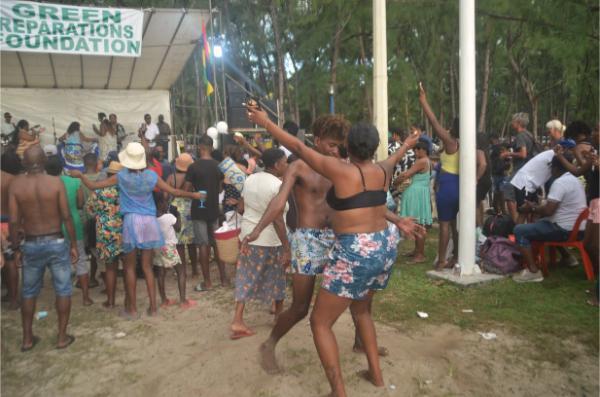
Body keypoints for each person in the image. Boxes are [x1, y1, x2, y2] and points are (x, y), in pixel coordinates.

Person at [248, 105, 422, 397]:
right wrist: (256, 230)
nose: (335, 150)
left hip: (338, 239)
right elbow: (279, 201)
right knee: (301, 308)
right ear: (316, 140)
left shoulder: (343, 166)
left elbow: (368, 202)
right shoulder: (301, 166)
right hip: (307, 241)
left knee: (361, 303)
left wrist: (395, 219)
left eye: (340, 145)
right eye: (330, 144)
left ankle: (359, 344)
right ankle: (270, 343)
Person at [71, 142, 201, 318]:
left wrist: (80, 176)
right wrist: (193, 195)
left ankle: (132, 309)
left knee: (129, 268)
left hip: (131, 222)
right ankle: (153, 307)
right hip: (149, 222)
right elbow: (173, 191)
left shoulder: (122, 176)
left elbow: (94, 186)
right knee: (147, 267)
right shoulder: (151, 176)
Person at [8, 146, 79, 351]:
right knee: (63, 289)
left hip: (30, 243)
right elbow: (66, 216)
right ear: (45, 162)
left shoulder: (16, 185)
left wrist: (16, 248)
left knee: (29, 291)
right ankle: (62, 337)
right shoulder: (55, 183)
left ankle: (27, 339)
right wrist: (73, 245)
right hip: (56, 241)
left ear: (24, 163)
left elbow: (13, 221)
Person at [230, 148, 290, 339]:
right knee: (278, 276)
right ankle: (278, 315)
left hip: (248, 235)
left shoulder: (250, 179)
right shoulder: (277, 185)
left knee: (247, 276)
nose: (287, 165)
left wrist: (252, 219)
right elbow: (278, 219)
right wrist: (287, 247)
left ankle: (238, 319)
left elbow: (240, 207)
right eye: (284, 162)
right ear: (276, 165)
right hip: (270, 239)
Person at [513, 155, 588, 282]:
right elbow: (555, 206)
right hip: (579, 229)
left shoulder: (560, 183)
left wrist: (531, 208)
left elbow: (548, 211)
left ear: (556, 168)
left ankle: (533, 271)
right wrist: (537, 206)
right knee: (543, 223)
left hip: (564, 230)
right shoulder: (575, 180)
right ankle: (568, 257)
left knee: (520, 230)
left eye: (551, 168)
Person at [418, 83, 460, 270]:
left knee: (444, 224)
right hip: (459, 185)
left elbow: (434, 122)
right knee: (454, 225)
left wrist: (423, 101)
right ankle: (457, 256)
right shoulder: (462, 144)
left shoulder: (450, 142)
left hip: (448, 185)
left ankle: (442, 260)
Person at [45, 155, 93, 306]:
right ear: (62, 167)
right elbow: (80, 203)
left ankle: (62, 298)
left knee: (60, 263)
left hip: (53, 227)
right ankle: (85, 297)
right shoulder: (74, 182)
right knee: (80, 261)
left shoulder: (44, 185)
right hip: (74, 224)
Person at [184, 135, 229, 290]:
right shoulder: (219, 166)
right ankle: (224, 279)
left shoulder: (193, 167)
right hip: (213, 208)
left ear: (200, 147)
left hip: (199, 208)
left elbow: (187, 190)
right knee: (217, 244)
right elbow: (221, 188)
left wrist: (196, 192)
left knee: (203, 245)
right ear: (211, 147)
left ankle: (208, 282)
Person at [85, 161, 124, 309]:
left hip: (105, 231)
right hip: (123, 229)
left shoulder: (99, 191)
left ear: (108, 174)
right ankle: (129, 300)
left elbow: (90, 210)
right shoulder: (124, 190)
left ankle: (111, 300)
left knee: (110, 267)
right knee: (127, 265)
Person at [153, 194, 195, 309]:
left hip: (157, 248)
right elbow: (178, 228)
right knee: (181, 272)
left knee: (160, 274)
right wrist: (178, 215)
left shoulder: (152, 219)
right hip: (170, 247)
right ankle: (183, 301)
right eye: (165, 202)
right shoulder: (169, 217)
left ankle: (164, 300)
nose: (167, 204)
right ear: (160, 204)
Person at [398, 140, 432, 263]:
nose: (416, 151)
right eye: (415, 149)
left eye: (418, 149)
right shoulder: (426, 160)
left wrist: (396, 180)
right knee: (418, 224)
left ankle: (420, 254)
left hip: (416, 194)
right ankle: (417, 251)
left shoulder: (422, 161)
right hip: (419, 193)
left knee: (418, 225)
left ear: (425, 150)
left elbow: (406, 175)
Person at [501, 112, 537, 223]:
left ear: (518, 123)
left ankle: (516, 222)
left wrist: (508, 154)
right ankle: (526, 222)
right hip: (529, 170)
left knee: (508, 191)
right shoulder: (529, 135)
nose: (512, 123)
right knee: (525, 197)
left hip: (520, 170)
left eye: (513, 121)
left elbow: (523, 154)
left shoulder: (521, 136)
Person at [166, 153, 197, 279]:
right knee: (191, 242)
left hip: (175, 209)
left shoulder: (171, 177)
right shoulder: (192, 177)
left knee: (178, 243)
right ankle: (194, 269)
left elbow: (166, 194)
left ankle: (182, 270)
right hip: (190, 208)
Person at [1, 150, 22, 310]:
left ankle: (8, 293)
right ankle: (14, 298)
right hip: (9, 224)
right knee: (10, 262)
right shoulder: (14, 181)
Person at [80, 153, 103, 288]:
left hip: (84, 218)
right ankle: (94, 276)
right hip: (99, 218)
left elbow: (80, 201)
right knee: (96, 250)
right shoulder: (102, 178)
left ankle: (85, 277)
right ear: (96, 164)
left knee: (85, 250)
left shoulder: (79, 180)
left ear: (84, 164)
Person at [476, 133, 492, 227]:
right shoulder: (486, 151)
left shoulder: (479, 150)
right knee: (479, 202)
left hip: (481, 180)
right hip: (486, 180)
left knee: (474, 205)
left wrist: (476, 177)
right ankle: (480, 225)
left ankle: (477, 226)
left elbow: (483, 164)